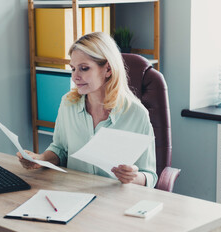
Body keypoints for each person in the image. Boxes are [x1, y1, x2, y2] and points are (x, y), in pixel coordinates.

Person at [18, 32, 157, 187]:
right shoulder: (68, 104)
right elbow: (60, 150)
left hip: (114, 201)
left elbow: (150, 176)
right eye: (73, 69)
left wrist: (133, 177)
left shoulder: (135, 114)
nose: (75, 76)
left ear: (108, 70)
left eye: (84, 68)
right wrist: (41, 159)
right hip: (74, 195)